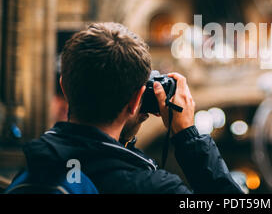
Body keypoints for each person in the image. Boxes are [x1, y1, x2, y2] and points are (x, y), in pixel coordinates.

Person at [22, 22, 243, 194]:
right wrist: (188, 136)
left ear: (64, 86)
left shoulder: (33, 168)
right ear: (137, 99)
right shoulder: (153, 188)